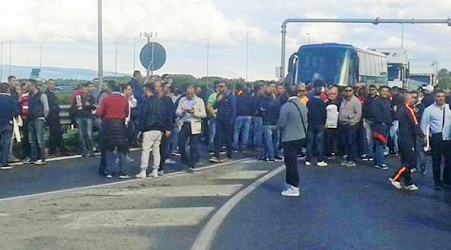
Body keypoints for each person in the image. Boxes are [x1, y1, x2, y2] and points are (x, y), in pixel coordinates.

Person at [277, 85, 308, 197]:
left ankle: (294, 186)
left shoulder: (286, 106)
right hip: (301, 136)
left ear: (287, 94)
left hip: (289, 137)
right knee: (293, 161)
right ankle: (289, 183)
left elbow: (282, 123)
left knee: (290, 162)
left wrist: (279, 127)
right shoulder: (302, 104)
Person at [389, 92, 423, 191]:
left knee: (405, 160)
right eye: (413, 97)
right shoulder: (409, 109)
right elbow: (415, 124)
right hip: (408, 139)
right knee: (410, 162)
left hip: (402, 137)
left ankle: (408, 182)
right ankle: (395, 178)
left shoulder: (401, 109)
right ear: (407, 99)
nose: (415, 100)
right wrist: (422, 136)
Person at [96, 81, 129, 179]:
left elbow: (100, 112)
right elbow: (126, 113)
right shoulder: (124, 99)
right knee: (122, 149)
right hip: (120, 125)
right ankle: (123, 171)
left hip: (108, 125)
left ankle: (109, 171)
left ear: (110, 89)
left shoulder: (106, 99)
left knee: (108, 149)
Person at [420, 89, 451, 189]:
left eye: (442, 96)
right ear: (434, 97)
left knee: (449, 160)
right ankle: (437, 181)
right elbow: (423, 125)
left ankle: (446, 180)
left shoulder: (449, 108)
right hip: (436, 136)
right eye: (438, 96)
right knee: (436, 160)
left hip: (448, 137)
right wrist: (424, 137)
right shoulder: (429, 110)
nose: (440, 98)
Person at [136, 81, 165, 179]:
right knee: (156, 150)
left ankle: (143, 170)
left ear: (147, 90)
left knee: (146, 150)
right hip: (159, 129)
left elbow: (143, 116)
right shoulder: (160, 102)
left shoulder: (146, 102)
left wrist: (140, 129)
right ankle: (155, 170)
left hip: (148, 128)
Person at [176, 85, 207, 172]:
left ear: (194, 93)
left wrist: (194, 112)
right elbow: (177, 111)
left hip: (195, 124)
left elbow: (204, 114)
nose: (189, 95)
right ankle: (185, 162)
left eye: (191, 94)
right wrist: (182, 112)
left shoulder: (199, 101)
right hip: (184, 123)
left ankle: (191, 165)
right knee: (181, 144)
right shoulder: (182, 100)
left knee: (193, 146)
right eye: (188, 93)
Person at [210, 80, 236, 163]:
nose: (219, 88)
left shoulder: (231, 96)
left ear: (226, 87)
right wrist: (218, 100)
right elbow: (214, 106)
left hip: (228, 120)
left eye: (221, 86)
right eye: (218, 86)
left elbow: (234, 109)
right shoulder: (219, 96)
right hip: (219, 119)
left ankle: (229, 156)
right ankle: (216, 155)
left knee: (228, 139)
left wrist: (232, 120)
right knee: (217, 137)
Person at [155, 79, 176, 176]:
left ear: (161, 88)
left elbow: (170, 115)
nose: (155, 88)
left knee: (162, 148)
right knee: (154, 148)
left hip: (164, 128)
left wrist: (168, 128)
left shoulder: (167, 100)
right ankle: (155, 167)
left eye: (156, 86)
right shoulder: (153, 98)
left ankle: (160, 167)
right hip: (154, 127)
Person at [27, 79, 49, 165]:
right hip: (31, 118)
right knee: (32, 140)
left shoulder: (42, 95)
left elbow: (46, 108)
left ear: (33, 86)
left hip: (38, 119)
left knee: (39, 139)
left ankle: (42, 158)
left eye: (29, 86)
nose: (27, 88)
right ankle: (34, 157)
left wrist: (43, 116)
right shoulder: (30, 95)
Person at [338, 86, 362, 167]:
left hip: (351, 125)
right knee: (345, 142)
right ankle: (347, 158)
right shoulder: (343, 100)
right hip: (343, 124)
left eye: (350, 90)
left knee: (351, 142)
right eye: (346, 90)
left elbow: (358, 113)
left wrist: (353, 122)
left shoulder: (356, 101)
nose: (348, 92)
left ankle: (352, 160)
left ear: (353, 91)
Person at [72, 82, 96, 157]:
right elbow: (77, 106)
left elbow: (92, 106)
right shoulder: (78, 97)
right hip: (80, 116)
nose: (85, 90)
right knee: (81, 134)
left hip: (88, 116)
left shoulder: (91, 97)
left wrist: (86, 105)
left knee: (89, 134)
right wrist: (85, 105)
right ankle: (84, 151)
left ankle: (91, 150)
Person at [306, 84, 327, 167]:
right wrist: (324, 123)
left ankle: (308, 160)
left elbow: (307, 112)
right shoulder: (322, 103)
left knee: (310, 143)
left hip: (311, 123)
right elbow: (324, 114)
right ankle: (320, 160)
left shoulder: (309, 102)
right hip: (320, 124)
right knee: (319, 143)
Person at [371, 86, 392, 170]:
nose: (385, 92)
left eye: (386, 91)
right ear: (380, 91)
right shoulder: (377, 101)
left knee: (380, 144)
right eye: (383, 91)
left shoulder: (387, 101)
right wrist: (382, 123)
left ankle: (377, 162)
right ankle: (380, 163)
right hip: (380, 125)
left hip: (386, 124)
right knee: (380, 144)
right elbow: (376, 114)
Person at [45, 79, 68, 156]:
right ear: (48, 85)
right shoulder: (47, 94)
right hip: (51, 116)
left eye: (54, 84)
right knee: (55, 134)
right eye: (51, 84)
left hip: (55, 116)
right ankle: (56, 150)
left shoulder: (52, 94)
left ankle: (54, 150)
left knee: (55, 134)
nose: (53, 85)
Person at [0, 82, 19, 169]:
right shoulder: (11, 99)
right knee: (6, 143)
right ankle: (3, 162)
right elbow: (16, 111)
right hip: (8, 122)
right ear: (8, 90)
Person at [261, 82, 281, 161]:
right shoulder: (277, 102)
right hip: (275, 122)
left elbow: (261, 111)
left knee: (268, 141)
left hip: (267, 122)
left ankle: (270, 155)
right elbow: (279, 112)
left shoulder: (264, 102)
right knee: (275, 140)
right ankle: (275, 154)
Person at [233, 86, 254, 151]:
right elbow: (252, 107)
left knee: (237, 131)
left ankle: (235, 144)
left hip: (239, 115)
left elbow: (235, 106)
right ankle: (244, 145)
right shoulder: (250, 98)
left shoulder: (238, 98)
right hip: (248, 116)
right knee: (246, 132)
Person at [411, 91, 427, 174]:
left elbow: (420, 118)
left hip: (419, 130)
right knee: (414, 149)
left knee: (419, 150)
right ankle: (414, 166)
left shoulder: (421, 107)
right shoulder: (412, 106)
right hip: (413, 130)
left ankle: (422, 167)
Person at [362, 85, 378, 161]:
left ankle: (375, 153)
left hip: (376, 120)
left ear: (375, 90)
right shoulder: (366, 99)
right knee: (368, 138)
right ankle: (369, 153)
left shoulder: (378, 99)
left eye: (373, 89)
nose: (371, 91)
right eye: (370, 89)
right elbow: (363, 109)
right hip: (367, 119)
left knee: (376, 138)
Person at [7, 76, 20, 163]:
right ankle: (8, 155)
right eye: (13, 81)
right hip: (8, 116)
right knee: (8, 137)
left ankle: (8, 154)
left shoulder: (15, 92)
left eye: (16, 81)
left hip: (13, 116)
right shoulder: (7, 92)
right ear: (9, 82)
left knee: (10, 137)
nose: (15, 82)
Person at [123, 83, 137, 163]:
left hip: (128, 121)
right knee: (121, 140)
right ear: (124, 90)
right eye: (128, 90)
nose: (130, 91)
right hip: (121, 121)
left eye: (131, 90)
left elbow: (134, 105)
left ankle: (126, 155)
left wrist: (131, 97)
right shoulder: (121, 98)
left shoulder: (130, 99)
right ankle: (120, 156)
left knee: (127, 140)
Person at [324, 86, 340, 159]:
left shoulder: (340, 103)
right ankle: (328, 153)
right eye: (330, 93)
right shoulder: (325, 102)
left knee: (335, 139)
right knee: (327, 139)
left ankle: (334, 152)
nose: (331, 95)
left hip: (337, 125)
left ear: (336, 94)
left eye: (333, 93)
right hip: (327, 125)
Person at [19, 82, 31, 160]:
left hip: (28, 117)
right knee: (26, 137)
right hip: (23, 118)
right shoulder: (22, 96)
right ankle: (26, 154)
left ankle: (27, 154)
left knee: (28, 137)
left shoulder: (29, 96)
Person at [206, 83, 219, 152]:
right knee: (213, 133)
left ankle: (215, 146)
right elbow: (208, 106)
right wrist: (214, 114)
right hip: (214, 117)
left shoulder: (221, 96)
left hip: (219, 117)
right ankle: (211, 147)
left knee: (215, 133)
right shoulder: (213, 96)